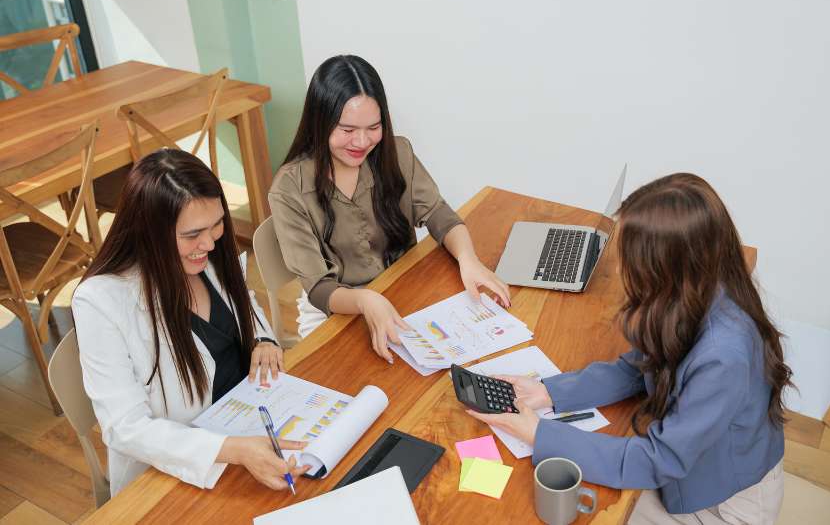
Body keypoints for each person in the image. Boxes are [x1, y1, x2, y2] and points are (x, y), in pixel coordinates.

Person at [468, 173, 793, 524]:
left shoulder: (723, 355)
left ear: (665, 266)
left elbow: (658, 460)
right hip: (692, 471)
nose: (619, 267)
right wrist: (548, 391)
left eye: (628, 256)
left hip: (720, 505)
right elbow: (638, 367)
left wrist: (540, 434)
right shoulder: (700, 291)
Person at [72, 149, 309, 495]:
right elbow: (125, 427)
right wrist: (231, 450)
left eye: (217, 225)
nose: (210, 243)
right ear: (149, 231)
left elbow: (245, 301)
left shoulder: (206, 258)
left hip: (249, 425)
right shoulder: (101, 301)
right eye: (193, 234)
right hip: (181, 471)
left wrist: (264, 339)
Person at [269, 54, 510, 360]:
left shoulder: (397, 153)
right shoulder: (289, 189)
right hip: (335, 309)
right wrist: (365, 300)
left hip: (399, 289)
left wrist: (468, 259)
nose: (362, 141)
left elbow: (438, 213)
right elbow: (318, 289)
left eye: (373, 127)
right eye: (347, 129)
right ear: (320, 123)